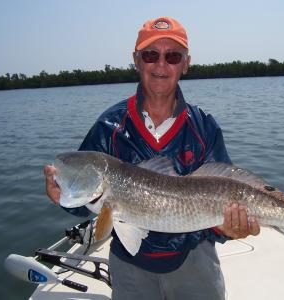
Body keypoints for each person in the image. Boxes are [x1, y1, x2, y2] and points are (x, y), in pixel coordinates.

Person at [44, 16, 260, 300]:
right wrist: (62, 198)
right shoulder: (109, 128)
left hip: (194, 259)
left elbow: (223, 204)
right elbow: (85, 204)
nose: (161, 64)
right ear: (136, 60)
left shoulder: (205, 126)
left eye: (172, 56)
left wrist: (229, 229)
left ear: (185, 63)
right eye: (150, 55)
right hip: (128, 265)